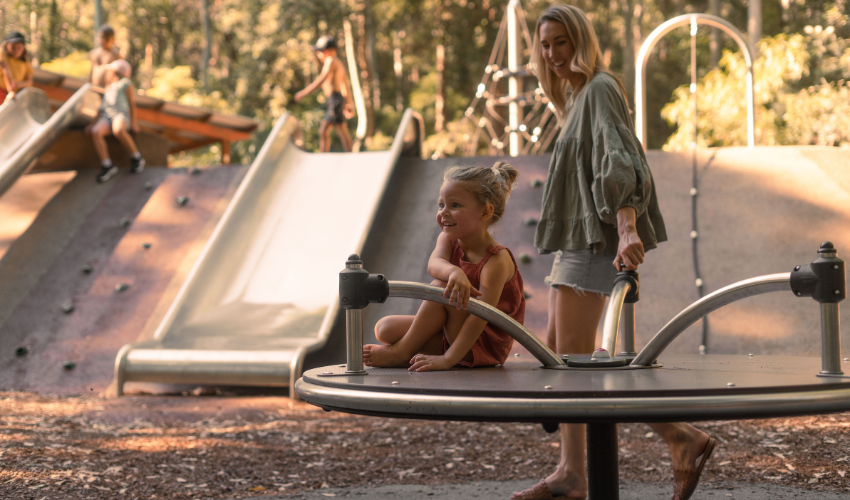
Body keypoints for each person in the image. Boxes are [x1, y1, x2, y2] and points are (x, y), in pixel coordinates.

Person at [510, 6, 715, 500]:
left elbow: (617, 158)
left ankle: (680, 437)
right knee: (563, 361)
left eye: (561, 42)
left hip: (595, 241)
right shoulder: (579, 96)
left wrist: (626, 229)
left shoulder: (599, 87)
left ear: (580, 41)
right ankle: (572, 470)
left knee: (578, 368)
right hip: (577, 242)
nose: (552, 53)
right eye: (545, 44)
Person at [363, 162, 525, 372]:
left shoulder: (496, 261)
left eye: (455, 205)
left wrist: (447, 360)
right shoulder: (449, 239)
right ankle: (411, 354)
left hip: (481, 343)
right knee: (385, 329)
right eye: (441, 205)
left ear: (485, 212)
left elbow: (480, 318)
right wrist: (454, 271)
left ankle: (401, 353)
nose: (444, 213)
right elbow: (434, 264)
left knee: (441, 286)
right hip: (454, 329)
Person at [85, 59, 145, 183]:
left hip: (120, 115)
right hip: (107, 116)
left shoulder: (125, 83)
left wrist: (133, 123)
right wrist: (92, 124)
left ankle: (137, 158)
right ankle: (107, 165)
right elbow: (101, 109)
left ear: (116, 72)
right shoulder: (108, 87)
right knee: (96, 132)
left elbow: (131, 104)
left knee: (118, 130)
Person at [293, 36, 355, 152]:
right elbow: (345, 87)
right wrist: (348, 103)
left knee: (326, 131)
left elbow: (321, 80)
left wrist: (303, 93)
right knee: (339, 130)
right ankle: (349, 155)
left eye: (321, 51)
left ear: (330, 50)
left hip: (335, 99)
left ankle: (329, 156)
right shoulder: (338, 63)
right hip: (336, 100)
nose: (318, 54)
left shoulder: (330, 61)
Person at [0, 31, 34, 103]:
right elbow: (6, 70)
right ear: (7, 46)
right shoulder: (2, 53)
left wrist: (19, 84)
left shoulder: (25, 61)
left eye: (19, 48)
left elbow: (29, 81)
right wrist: (11, 91)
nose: (16, 50)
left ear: (23, 47)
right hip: (3, 91)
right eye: (13, 47)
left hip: (16, 95)